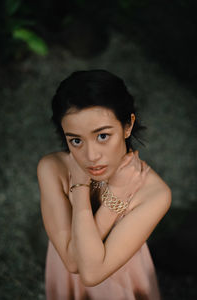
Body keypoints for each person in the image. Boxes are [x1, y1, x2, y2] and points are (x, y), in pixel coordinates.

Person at [37, 70, 171, 300]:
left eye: (102, 136)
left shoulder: (155, 193)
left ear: (128, 125)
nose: (91, 156)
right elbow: (71, 262)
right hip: (68, 281)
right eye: (76, 140)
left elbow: (90, 272)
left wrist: (94, 193)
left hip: (122, 283)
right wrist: (85, 188)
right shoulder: (51, 168)